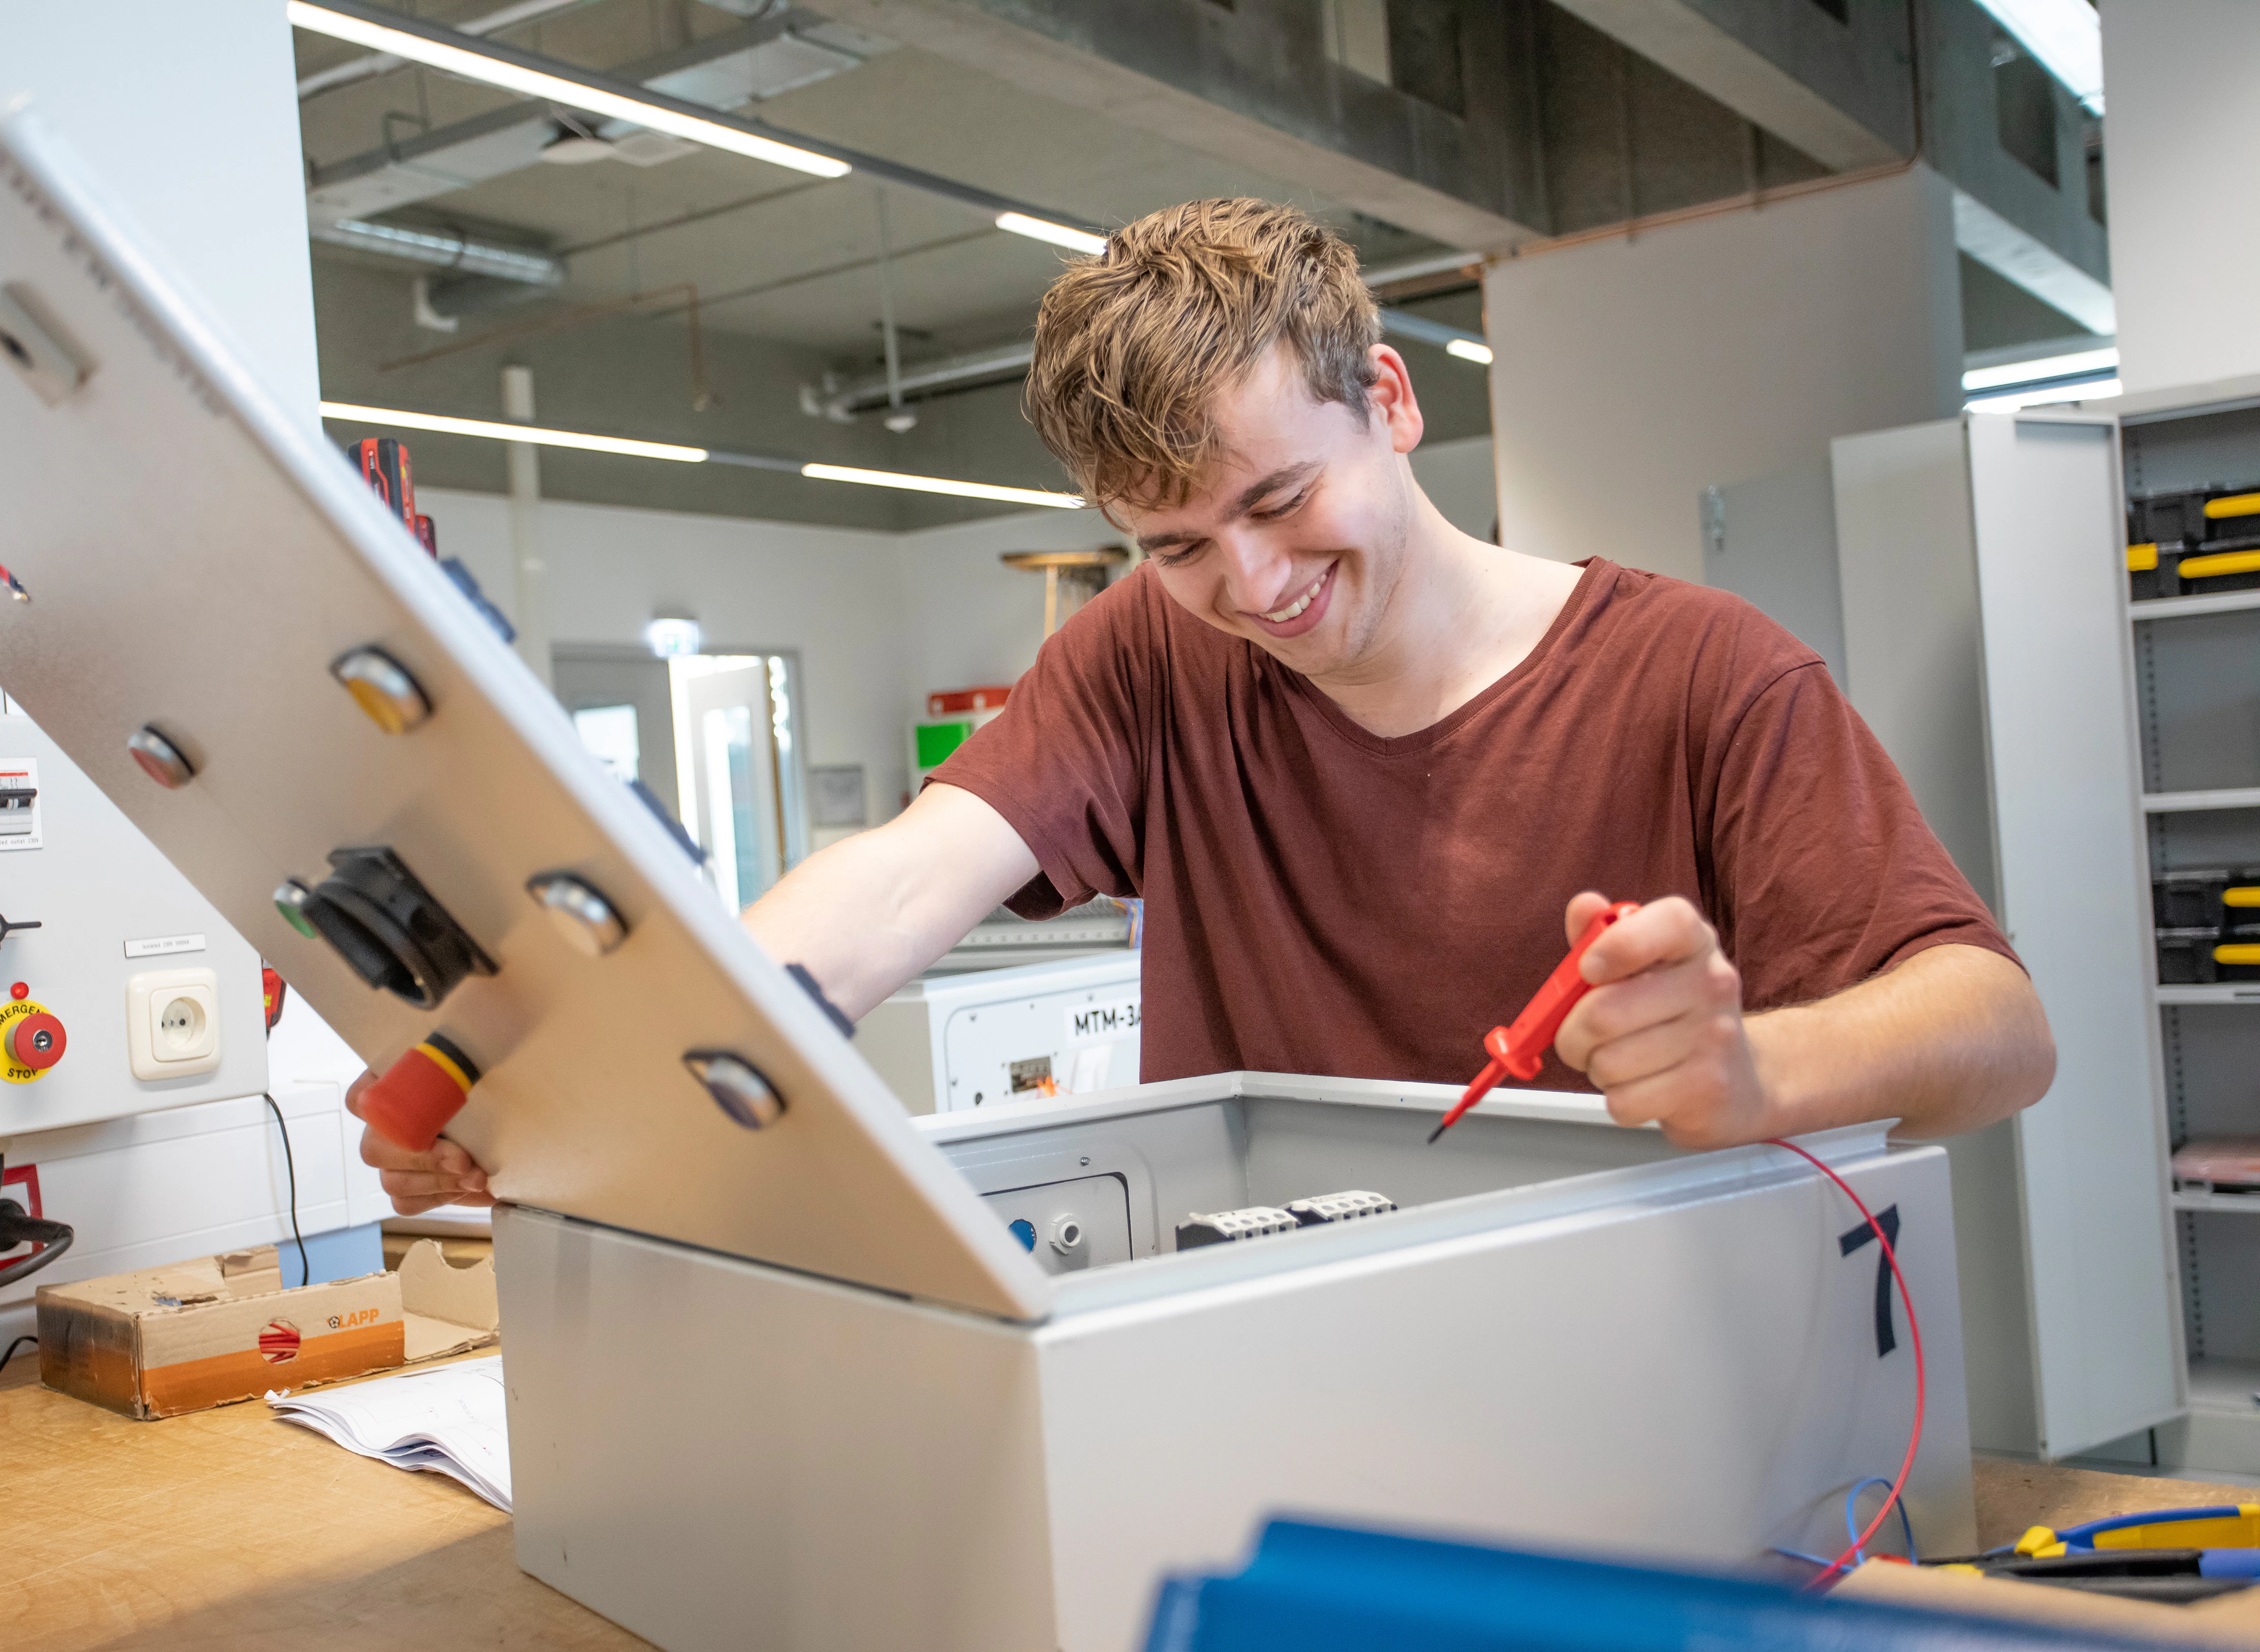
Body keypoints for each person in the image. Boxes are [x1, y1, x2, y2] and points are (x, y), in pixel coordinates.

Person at [361, 197, 2054, 1216]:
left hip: (1645, 1376)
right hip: (1269, 1358)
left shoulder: (1703, 674)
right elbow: (891, 887)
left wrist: (1754, 1068)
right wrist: (624, 1085)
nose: (1246, 588)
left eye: (1274, 505)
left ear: (1385, 400)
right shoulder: (1152, 659)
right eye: (1172, 544)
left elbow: (1994, 1028)